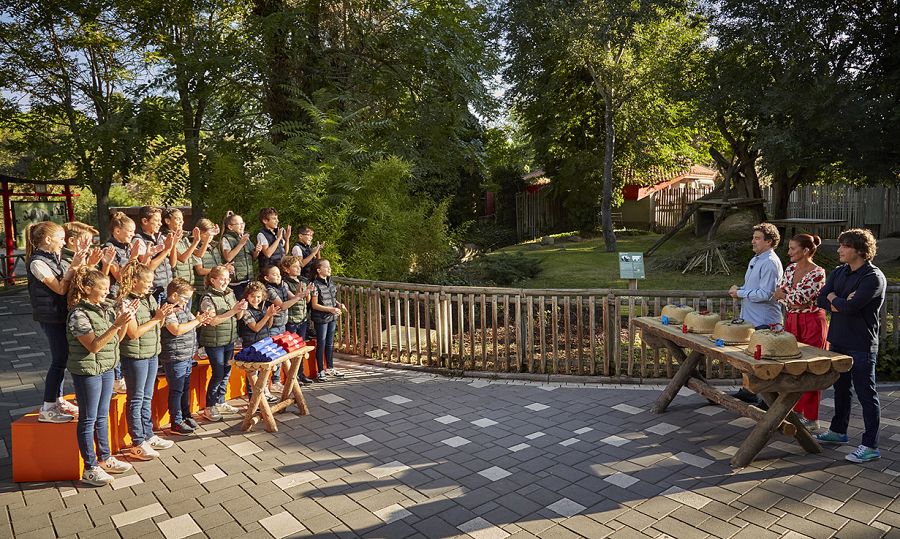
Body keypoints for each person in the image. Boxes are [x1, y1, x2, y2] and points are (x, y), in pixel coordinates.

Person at [815, 229, 886, 463]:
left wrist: (836, 299)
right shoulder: (839, 271)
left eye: (844, 246)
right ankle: (838, 432)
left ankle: (870, 445)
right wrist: (841, 300)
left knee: (867, 395)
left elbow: (848, 308)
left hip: (861, 345)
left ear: (859, 250)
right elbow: (820, 298)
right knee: (841, 390)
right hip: (838, 341)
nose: (839, 250)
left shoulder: (873, 277)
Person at [66, 267, 136, 486]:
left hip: (106, 368)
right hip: (88, 371)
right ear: (87, 289)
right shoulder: (79, 314)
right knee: (88, 418)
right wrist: (116, 324)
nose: (107, 292)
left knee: (102, 414)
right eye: (102, 288)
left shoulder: (103, 309)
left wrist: (123, 322)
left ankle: (105, 458)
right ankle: (90, 466)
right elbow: (94, 346)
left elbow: (117, 339)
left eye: (107, 287)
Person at [26, 221, 88, 423]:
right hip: (50, 316)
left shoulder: (57, 257)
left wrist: (82, 263)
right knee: (59, 359)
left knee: (63, 358)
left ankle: (58, 399)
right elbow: (60, 288)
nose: (64, 243)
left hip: (62, 313)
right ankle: (47, 407)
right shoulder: (37, 262)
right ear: (48, 239)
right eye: (61, 239)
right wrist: (74, 267)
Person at [117, 261, 176, 460]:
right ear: (135, 282)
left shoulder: (148, 298)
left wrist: (164, 316)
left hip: (151, 352)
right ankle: (137, 441)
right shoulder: (126, 301)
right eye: (148, 281)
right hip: (135, 356)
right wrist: (156, 318)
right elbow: (132, 334)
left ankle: (148, 434)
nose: (152, 284)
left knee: (147, 397)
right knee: (136, 398)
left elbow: (156, 326)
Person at [774, 234, 827, 429]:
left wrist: (787, 297)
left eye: (792, 249)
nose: (788, 253)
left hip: (812, 322)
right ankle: (793, 411)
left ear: (805, 251)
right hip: (791, 319)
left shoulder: (818, 272)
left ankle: (811, 418)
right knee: (791, 366)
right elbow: (779, 295)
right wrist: (790, 298)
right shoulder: (789, 269)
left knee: (811, 368)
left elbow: (797, 299)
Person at [729, 223, 784, 406]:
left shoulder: (769, 262)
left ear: (769, 241)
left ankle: (771, 401)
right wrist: (740, 289)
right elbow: (754, 288)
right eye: (753, 237)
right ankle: (748, 391)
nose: (753, 241)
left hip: (765, 321)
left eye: (758, 238)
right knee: (749, 357)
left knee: (765, 362)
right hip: (750, 319)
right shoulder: (756, 259)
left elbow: (766, 294)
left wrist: (741, 293)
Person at [160, 278, 213, 435]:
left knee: (184, 388)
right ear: (175, 295)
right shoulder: (168, 309)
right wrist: (197, 321)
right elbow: (175, 330)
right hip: (175, 355)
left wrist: (200, 320)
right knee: (176, 390)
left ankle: (185, 414)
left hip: (187, 354)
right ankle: (176, 422)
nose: (187, 302)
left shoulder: (182, 308)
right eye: (185, 298)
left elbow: (191, 323)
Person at [198, 265, 247, 421]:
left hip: (229, 339)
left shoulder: (230, 293)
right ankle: (209, 406)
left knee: (226, 371)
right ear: (212, 280)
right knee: (218, 373)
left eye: (228, 278)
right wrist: (233, 311)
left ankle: (220, 401)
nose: (226, 281)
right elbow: (212, 321)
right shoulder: (207, 298)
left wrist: (241, 309)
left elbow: (238, 318)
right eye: (222, 279)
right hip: (215, 341)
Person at [104, 211, 139, 395]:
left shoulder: (126, 246)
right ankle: (116, 378)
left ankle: (120, 375)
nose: (133, 235)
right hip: (113, 298)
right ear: (117, 231)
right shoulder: (109, 248)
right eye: (130, 231)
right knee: (116, 337)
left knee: (124, 337)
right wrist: (133, 257)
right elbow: (118, 275)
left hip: (126, 296)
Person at [238, 281, 280, 403]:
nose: (256, 299)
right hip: (251, 345)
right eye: (253, 296)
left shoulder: (263, 307)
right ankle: (253, 398)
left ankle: (265, 391)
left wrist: (271, 315)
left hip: (263, 343)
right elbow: (255, 328)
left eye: (258, 297)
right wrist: (267, 315)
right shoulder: (246, 311)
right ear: (247, 296)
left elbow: (269, 325)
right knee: (252, 372)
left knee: (264, 371)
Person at [310, 260, 347, 382]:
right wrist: (331, 309)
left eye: (329, 267)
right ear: (318, 270)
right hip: (321, 318)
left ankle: (330, 367)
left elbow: (332, 299)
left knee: (330, 344)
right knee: (321, 343)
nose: (329, 269)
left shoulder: (330, 282)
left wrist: (339, 305)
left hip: (332, 317)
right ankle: (320, 370)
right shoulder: (315, 284)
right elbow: (314, 305)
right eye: (326, 267)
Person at [280, 256, 315, 385]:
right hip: (291, 319)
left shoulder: (302, 281)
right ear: (286, 269)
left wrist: (308, 293)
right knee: (291, 349)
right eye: (295, 266)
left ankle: (301, 373)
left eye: (299, 266)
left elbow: (307, 301)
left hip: (302, 318)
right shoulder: (285, 283)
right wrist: (299, 293)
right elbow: (292, 299)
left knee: (300, 347)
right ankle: (292, 376)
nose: (298, 269)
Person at [135, 206, 177, 304]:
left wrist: (173, 244)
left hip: (167, 286)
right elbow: (148, 267)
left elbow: (173, 263)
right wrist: (166, 250)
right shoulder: (139, 240)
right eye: (157, 220)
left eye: (160, 220)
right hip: (154, 289)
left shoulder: (160, 237)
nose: (160, 224)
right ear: (145, 221)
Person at [220, 211, 262, 300]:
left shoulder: (244, 237)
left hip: (248, 278)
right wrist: (240, 244)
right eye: (238, 224)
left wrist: (257, 251)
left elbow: (253, 257)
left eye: (243, 223)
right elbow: (228, 257)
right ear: (230, 227)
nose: (242, 226)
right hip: (236, 281)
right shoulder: (226, 238)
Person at [162, 208, 202, 300]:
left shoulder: (184, 239)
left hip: (188, 282)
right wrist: (195, 242)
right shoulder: (167, 238)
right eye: (178, 219)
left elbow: (198, 254)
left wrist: (204, 239)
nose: (181, 222)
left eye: (182, 219)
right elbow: (182, 258)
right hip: (178, 284)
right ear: (167, 221)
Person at [192, 218, 227, 292]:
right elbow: (200, 271)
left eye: (211, 234)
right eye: (206, 234)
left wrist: (225, 268)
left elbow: (218, 263)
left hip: (215, 286)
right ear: (199, 233)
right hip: (202, 288)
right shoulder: (195, 247)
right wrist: (218, 270)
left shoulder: (214, 246)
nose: (210, 236)